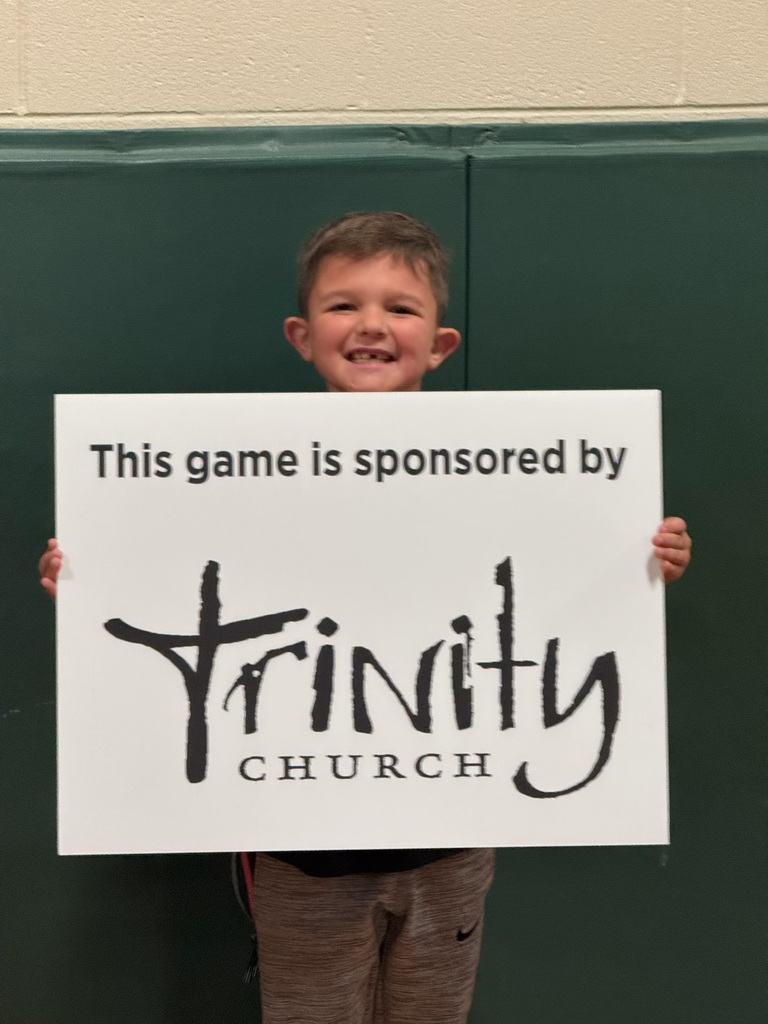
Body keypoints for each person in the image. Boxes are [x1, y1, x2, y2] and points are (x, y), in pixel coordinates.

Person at [39, 211, 692, 1024]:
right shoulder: (231, 476)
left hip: (450, 836)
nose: (373, 325)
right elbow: (181, 595)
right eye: (344, 305)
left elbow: (564, 586)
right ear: (302, 334)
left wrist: (642, 560)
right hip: (299, 846)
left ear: (441, 343)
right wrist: (100, 588)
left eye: (402, 308)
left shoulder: (517, 471)